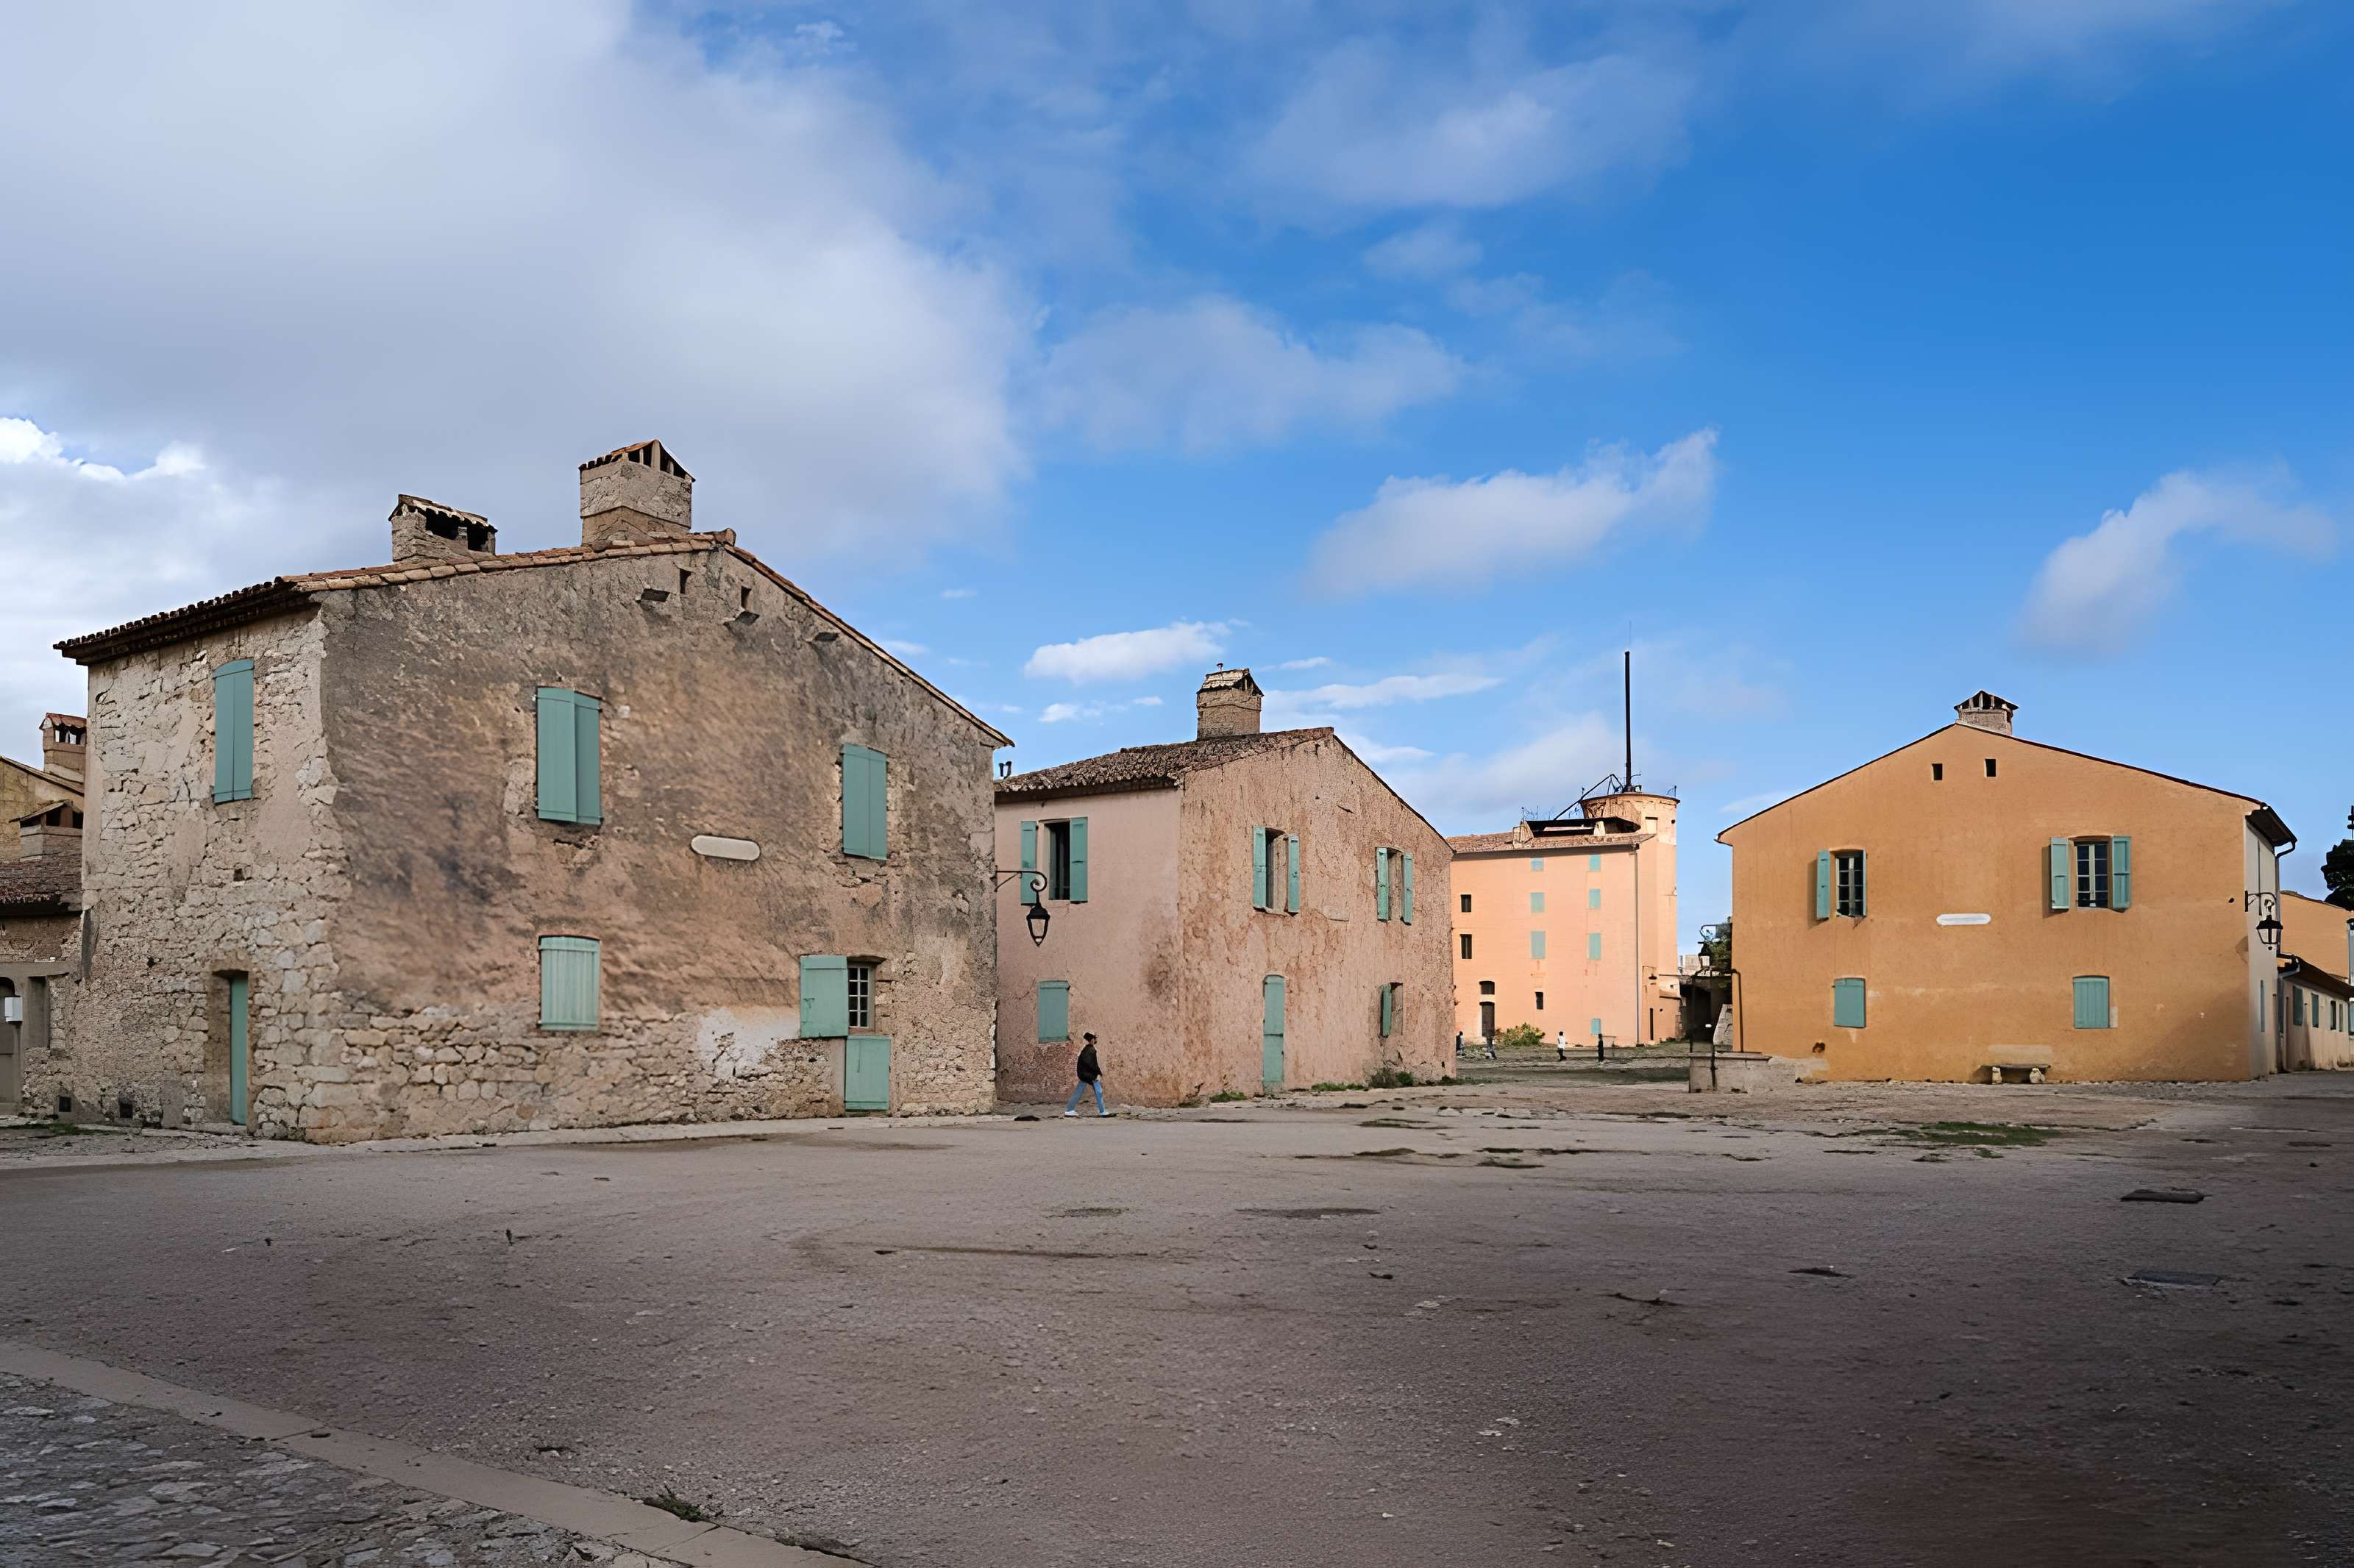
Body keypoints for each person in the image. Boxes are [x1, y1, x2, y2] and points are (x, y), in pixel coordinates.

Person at [1064, 1032, 1109, 1117]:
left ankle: (1069, 1110)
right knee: (1099, 1091)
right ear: (1092, 1040)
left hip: (1083, 1074)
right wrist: (1098, 1073)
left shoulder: (1086, 1049)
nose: (1096, 1040)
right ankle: (1102, 1111)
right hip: (1089, 1075)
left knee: (1079, 1091)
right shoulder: (1091, 1050)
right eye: (1095, 1039)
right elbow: (1092, 1064)